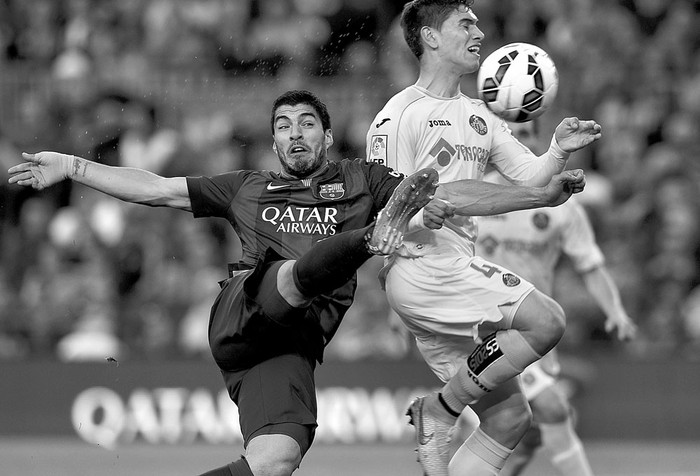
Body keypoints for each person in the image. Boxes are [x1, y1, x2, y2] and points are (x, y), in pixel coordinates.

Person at [8, 89, 585, 476]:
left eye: (306, 123)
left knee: (276, 459)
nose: (294, 133)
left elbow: (451, 194)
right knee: (287, 277)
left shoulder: (363, 180)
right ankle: (367, 240)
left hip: (289, 348)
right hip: (244, 312)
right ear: (275, 142)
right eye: (282, 126)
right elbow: (155, 187)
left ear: (326, 136)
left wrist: (537, 190)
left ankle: (367, 241)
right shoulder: (246, 187)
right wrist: (72, 164)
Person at [365, 1, 603, 475]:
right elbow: (381, 211)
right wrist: (419, 215)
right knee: (546, 321)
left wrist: (556, 150)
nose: (479, 31)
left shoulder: (479, 115)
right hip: (422, 269)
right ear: (431, 38)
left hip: (450, 275)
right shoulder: (398, 115)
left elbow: (530, 176)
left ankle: (443, 414)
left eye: (477, 22)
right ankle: (440, 410)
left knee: (510, 418)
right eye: (465, 23)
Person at [464, 119, 637, 476]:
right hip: (487, 330)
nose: (518, 143)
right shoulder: (477, 196)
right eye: (512, 136)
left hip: (539, 330)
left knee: (526, 434)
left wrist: (615, 310)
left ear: (538, 140)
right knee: (554, 409)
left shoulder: (562, 202)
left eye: (525, 136)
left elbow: (590, 264)